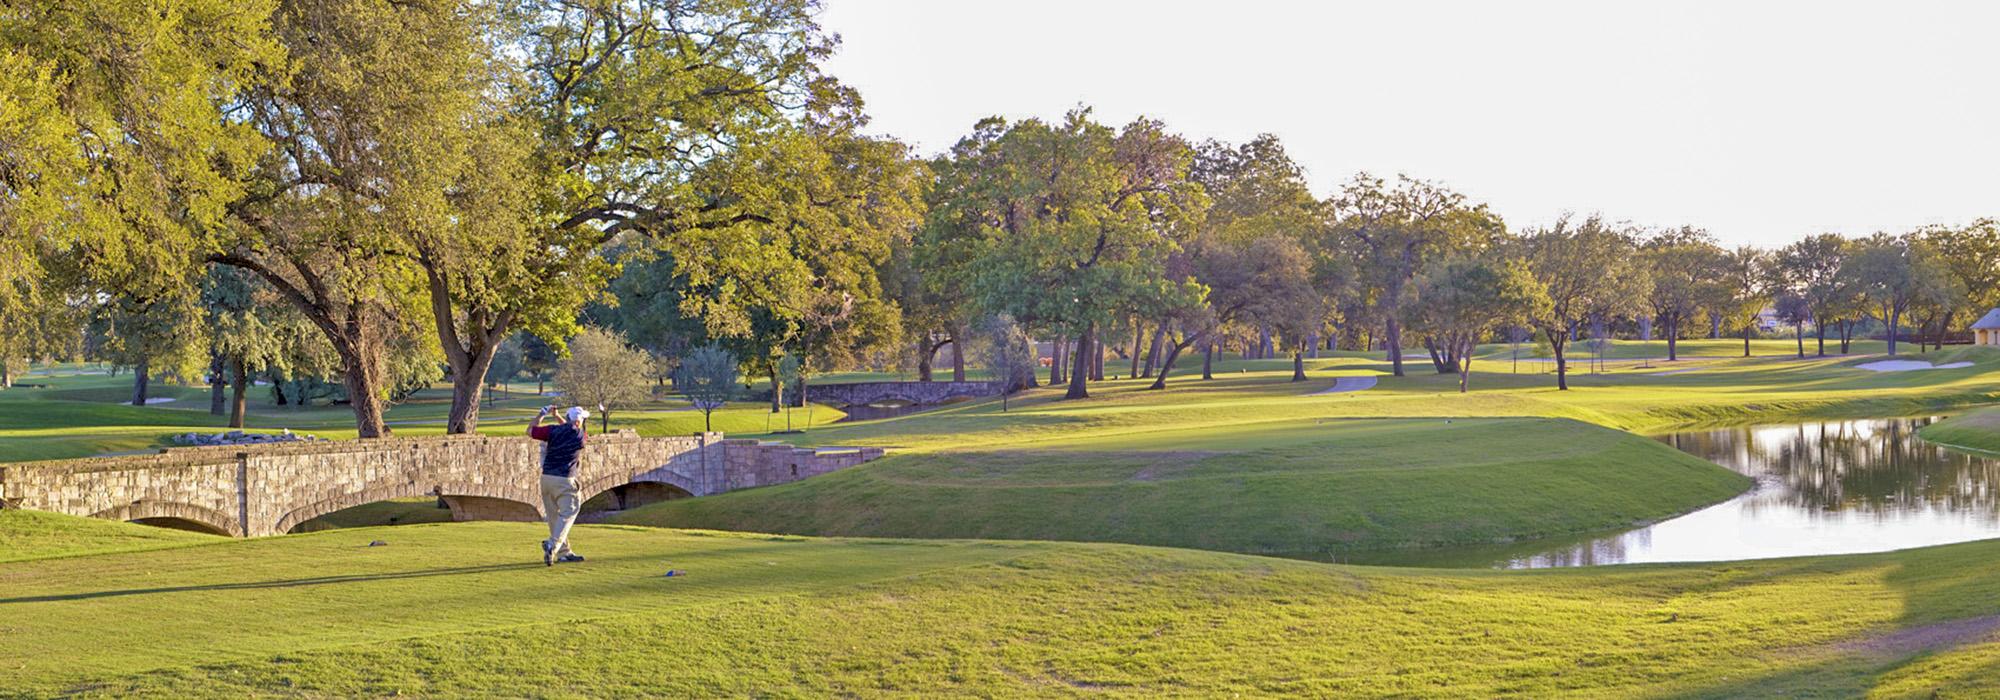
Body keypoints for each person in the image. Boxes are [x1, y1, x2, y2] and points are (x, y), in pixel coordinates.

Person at [527, 404, 589, 566]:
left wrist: (543, 413)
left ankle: (564, 553)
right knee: (570, 512)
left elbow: (530, 430)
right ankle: (552, 545)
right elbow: (570, 429)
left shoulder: (552, 431)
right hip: (565, 480)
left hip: (546, 479)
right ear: (578, 422)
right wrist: (558, 416)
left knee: (554, 516)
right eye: (582, 420)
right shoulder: (580, 436)